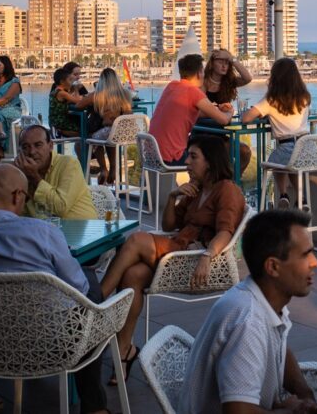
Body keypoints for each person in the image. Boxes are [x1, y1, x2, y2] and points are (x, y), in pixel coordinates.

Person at [0, 164, 110, 414]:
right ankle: (94, 408)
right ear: (18, 196)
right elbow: (79, 288)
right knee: (90, 287)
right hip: (51, 342)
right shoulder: (43, 232)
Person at [100, 134, 246, 383]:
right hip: (179, 251)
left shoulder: (226, 190)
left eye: (193, 157)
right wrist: (171, 197)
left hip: (195, 257)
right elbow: (169, 224)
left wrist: (207, 256)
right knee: (132, 275)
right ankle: (126, 352)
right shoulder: (195, 190)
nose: (187, 162)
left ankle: (96, 303)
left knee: (135, 241)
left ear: (210, 161)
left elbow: (226, 231)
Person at [179, 208, 317, 414]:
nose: (315, 262)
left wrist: (304, 394)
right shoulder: (248, 321)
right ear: (273, 267)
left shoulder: (265, 299)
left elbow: (279, 347)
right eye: (306, 254)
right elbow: (238, 411)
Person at [240, 58, 311, 206]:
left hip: (287, 147)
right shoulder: (304, 97)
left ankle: (283, 194)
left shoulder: (271, 100)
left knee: (275, 161)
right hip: (308, 147)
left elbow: (246, 118)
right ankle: (301, 197)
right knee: (291, 163)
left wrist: (260, 113)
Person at [149, 54, 233, 165]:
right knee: (212, 160)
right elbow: (224, 120)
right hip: (171, 158)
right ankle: (220, 182)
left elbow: (191, 113)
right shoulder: (193, 91)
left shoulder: (172, 86)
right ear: (199, 73)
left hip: (151, 155)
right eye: (203, 71)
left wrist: (215, 110)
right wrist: (229, 111)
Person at [13, 125, 97, 219]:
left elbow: (61, 207)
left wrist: (34, 178)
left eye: (38, 145)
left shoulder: (69, 164)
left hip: (82, 230)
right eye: (25, 147)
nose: (32, 152)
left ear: (50, 146)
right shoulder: (22, 172)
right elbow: (14, 213)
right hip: (44, 231)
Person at [75, 68, 133, 185]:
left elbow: (78, 106)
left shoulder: (98, 95)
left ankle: (103, 169)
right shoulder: (126, 93)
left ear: (102, 81)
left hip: (109, 131)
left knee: (93, 139)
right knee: (107, 139)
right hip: (125, 132)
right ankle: (113, 168)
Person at [204, 49, 253, 171]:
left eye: (227, 62)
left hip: (220, 133)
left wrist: (233, 59)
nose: (224, 65)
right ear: (212, 63)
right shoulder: (203, 82)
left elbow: (248, 78)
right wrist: (217, 109)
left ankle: (232, 181)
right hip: (203, 131)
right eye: (221, 61)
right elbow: (201, 108)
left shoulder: (229, 83)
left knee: (244, 152)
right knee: (216, 162)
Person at [48, 66, 82, 139]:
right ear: (62, 82)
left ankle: (59, 131)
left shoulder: (55, 91)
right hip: (60, 122)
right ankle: (60, 131)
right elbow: (78, 101)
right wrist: (76, 89)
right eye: (70, 80)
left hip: (53, 121)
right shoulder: (62, 93)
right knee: (82, 131)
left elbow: (71, 99)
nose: (71, 83)